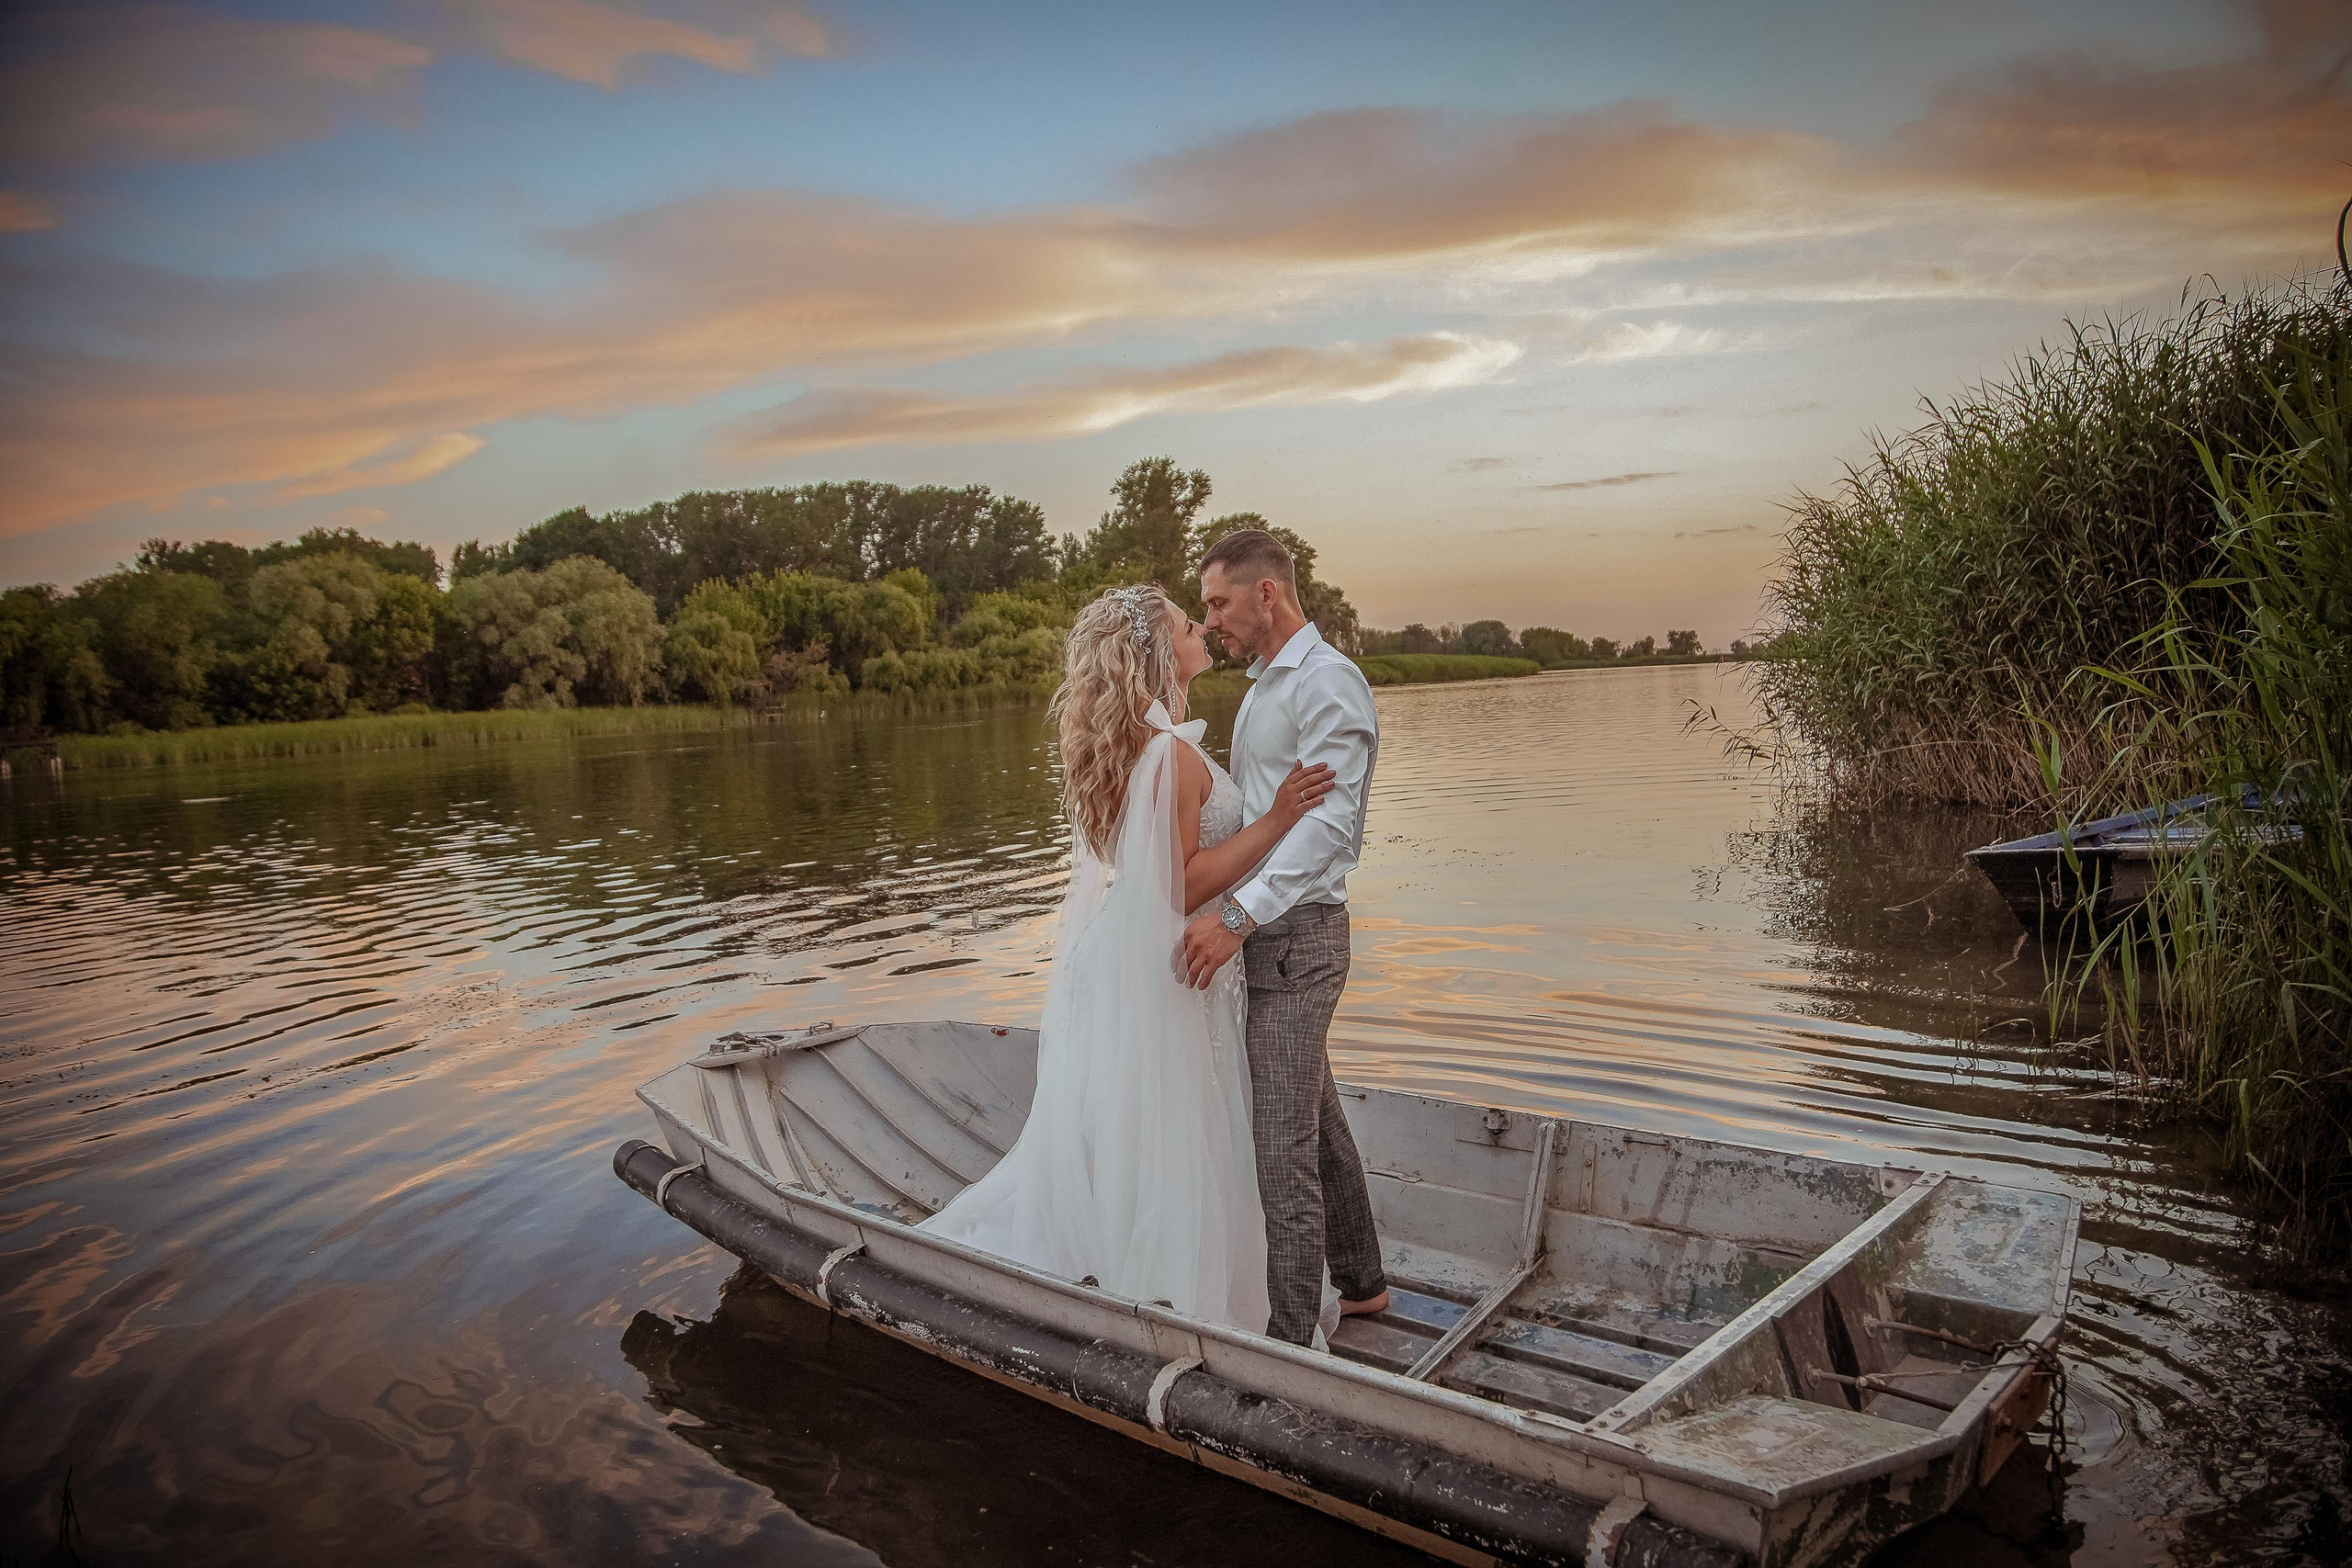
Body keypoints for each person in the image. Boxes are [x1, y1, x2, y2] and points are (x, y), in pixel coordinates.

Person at [921, 582, 1336, 1334]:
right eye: (1186, 623)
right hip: (1181, 960)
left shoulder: (1149, 744)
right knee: (1185, 1125)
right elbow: (1182, 886)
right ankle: (1178, 1287)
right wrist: (1278, 817)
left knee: (1161, 1119)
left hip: (1148, 955)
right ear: (1158, 656)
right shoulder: (1169, 753)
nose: (1201, 627)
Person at [1179, 528, 1389, 1346]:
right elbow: (1269, 816)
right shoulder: (1267, 685)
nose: (1211, 621)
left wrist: (1237, 916)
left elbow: (1330, 829)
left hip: (1297, 938)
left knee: (1281, 1148)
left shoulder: (1327, 683)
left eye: (1219, 603)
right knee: (1316, 1120)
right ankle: (1363, 1283)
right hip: (1267, 931)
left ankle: (1293, 1342)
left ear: (1266, 592)